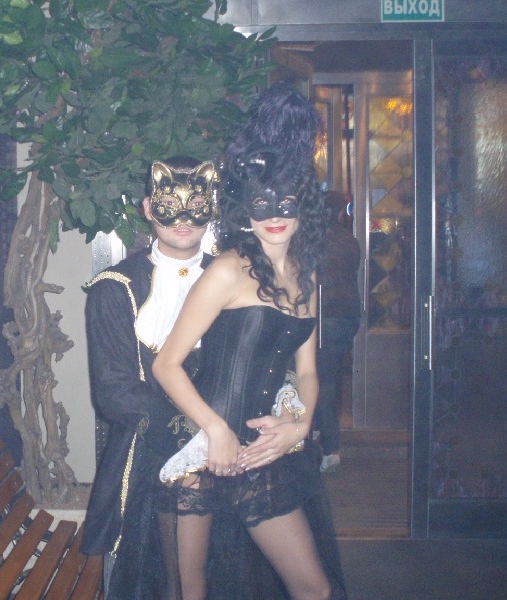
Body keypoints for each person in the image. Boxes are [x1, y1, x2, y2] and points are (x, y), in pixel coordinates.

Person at [153, 81, 347, 600]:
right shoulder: (228, 270)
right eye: (261, 203)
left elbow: (308, 370)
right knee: (191, 590)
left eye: (286, 202)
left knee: (313, 588)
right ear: (244, 209)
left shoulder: (307, 275)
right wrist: (216, 430)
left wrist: (300, 425)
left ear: (303, 205)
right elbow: (167, 364)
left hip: (264, 454)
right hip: (200, 448)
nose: (274, 215)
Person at [81, 156, 219, 599]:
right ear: (147, 207)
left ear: (212, 206)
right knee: (164, 578)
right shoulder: (115, 288)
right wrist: (193, 441)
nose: (183, 219)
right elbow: (115, 392)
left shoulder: (234, 279)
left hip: (230, 447)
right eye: (169, 206)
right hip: (149, 450)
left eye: (195, 205)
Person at [315, 190, 361, 473]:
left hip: (325, 316)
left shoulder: (316, 240)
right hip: (347, 314)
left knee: (322, 382)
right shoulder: (349, 240)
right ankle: (324, 440)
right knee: (329, 378)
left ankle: (329, 448)